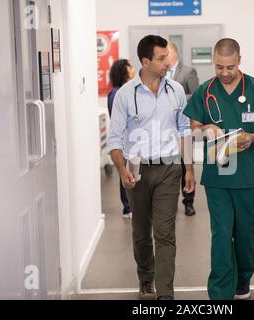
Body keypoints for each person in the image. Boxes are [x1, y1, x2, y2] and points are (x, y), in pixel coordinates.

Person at [183, 38, 254, 300]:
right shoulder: (204, 92)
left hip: (248, 176)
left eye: (229, 67)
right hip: (218, 177)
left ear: (239, 60)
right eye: (219, 67)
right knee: (221, 234)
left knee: (245, 235)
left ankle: (242, 281)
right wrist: (205, 129)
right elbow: (193, 128)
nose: (224, 73)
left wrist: (253, 137)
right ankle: (219, 293)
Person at [107, 35, 195, 300]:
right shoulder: (125, 95)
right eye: (161, 58)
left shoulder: (176, 91)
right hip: (138, 169)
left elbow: (184, 130)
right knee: (141, 232)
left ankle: (165, 294)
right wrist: (123, 170)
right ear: (145, 61)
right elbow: (115, 138)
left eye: (167, 56)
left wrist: (188, 167)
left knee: (165, 233)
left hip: (169, 168)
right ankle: (146, 278)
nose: (167, 62)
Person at [166, 42, 200, 216]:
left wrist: (175, 96)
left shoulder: (188, 71)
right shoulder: (160, 72)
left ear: (175, 54)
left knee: (186, 164)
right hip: (165, 129)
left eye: (167, 52)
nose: (164, 56)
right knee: (169, 167)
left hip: (184, 126)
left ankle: (189, 202)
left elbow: (196, 95)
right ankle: (169, 203)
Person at [107, 59, 136, 219]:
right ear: (123, 71)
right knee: (123, 170)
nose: (133, 69)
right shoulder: (117, 93)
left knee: (131, 171)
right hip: (123, 140)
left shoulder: (127, 90)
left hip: (131, 140)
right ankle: (127, 207)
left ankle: (131, 205)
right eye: (129, 67)